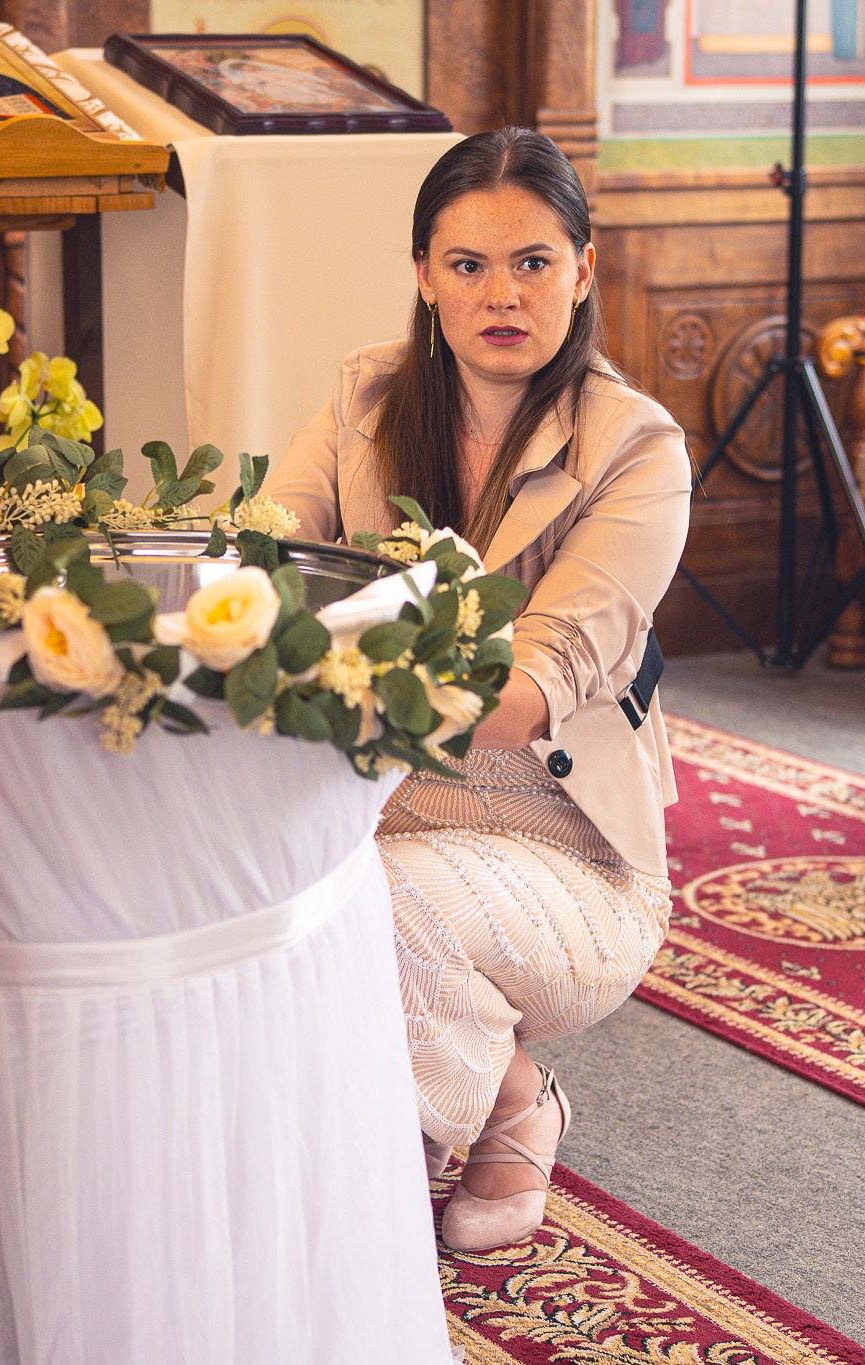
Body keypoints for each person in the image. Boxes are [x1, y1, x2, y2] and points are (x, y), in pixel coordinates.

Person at [270, 126, 691, 1253]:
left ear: (583, 270)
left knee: (367, 906)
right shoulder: (363, 401)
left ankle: (436, 1147)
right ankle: (493, 1092)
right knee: (228, 874)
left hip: (563, 849)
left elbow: (524, 690)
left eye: (532, 262)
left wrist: (320, 663)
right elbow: (260, 562)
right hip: (377, 801)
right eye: (466, 265)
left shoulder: (638, 452)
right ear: (422, 276)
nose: (499, 293)